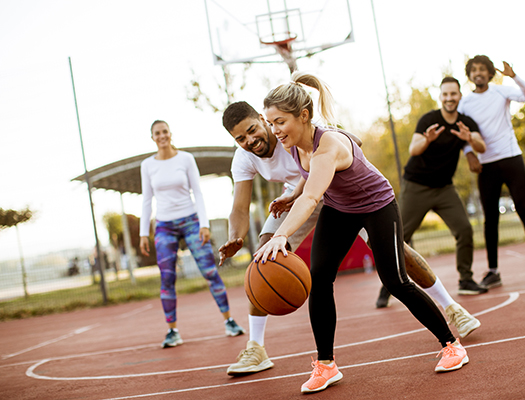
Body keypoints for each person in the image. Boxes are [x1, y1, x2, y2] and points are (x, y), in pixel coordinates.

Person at [220, 101, 480, 377]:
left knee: (396, 260)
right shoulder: (248, 156)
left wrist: (338, 146)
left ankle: (451, 308)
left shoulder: (295, 128)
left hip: (345, 194)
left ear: (263, 120)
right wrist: (236, 237)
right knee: (265, 259)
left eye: (252, 130)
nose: (250, 140)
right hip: (299, 198)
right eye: (240, 138)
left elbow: (349, 142)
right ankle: (258, 348)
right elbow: (240, 207)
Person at [375, 77, 488, 308]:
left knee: (464, 230)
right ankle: (388, 286)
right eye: (445, 94)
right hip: (417, 186)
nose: (449, 98)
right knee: (399, 237)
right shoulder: (429, 119)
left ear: (459, 96)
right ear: (441, 96)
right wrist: (427, 140)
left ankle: (466, 279)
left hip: (444, 189)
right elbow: (413, 149)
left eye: (453, 94)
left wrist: (469, 140)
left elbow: (481, 145)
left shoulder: (465, 123)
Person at [140, 120, 245, 349]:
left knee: (209, 271)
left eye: (165, 132)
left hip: (190, 221)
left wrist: (204, 225)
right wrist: (142, 233)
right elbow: (147, 199)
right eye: (157, 133)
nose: (162, 136)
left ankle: (229, 321)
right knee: (167, 278)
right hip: (164, 226)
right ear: (152, 137)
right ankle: (172, 331)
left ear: (170, 133)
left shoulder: (185, 159)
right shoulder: (147, 165)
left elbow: (197, 191)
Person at [458, 55, 525, 287]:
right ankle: (493, 271)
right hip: (486, 165)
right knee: (490, 219)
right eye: (474, 70)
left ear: (490, 74)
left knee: (524, 209)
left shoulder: (501, 91)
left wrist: (514, 76)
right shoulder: (465, 103)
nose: (478, 73)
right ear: (469, 75)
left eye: (482, 69)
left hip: (511, 158)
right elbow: (459, 132)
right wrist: (469, 153)